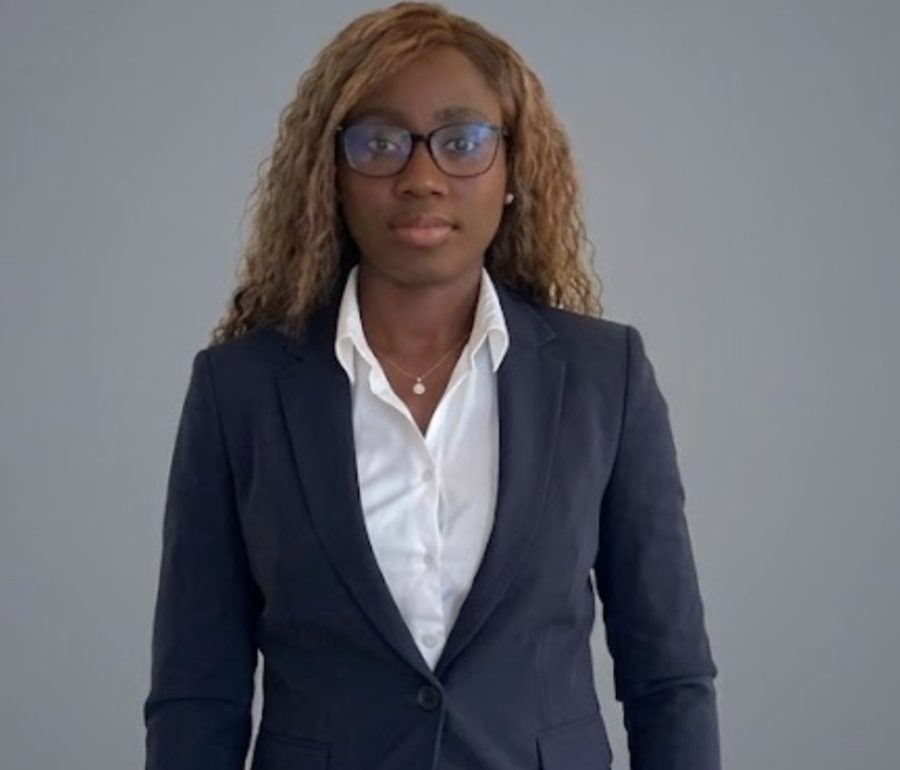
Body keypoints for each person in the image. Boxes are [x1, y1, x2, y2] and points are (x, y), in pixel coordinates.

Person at [143, 3, 720, 769]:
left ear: (513, 169)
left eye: (462, 141)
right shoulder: (239, 390)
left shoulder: (602, 377)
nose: (421, 178)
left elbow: (668, 677)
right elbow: (196, 692)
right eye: (379, 143)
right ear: (331, 174)